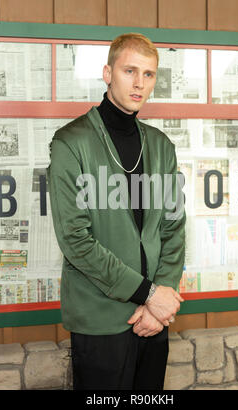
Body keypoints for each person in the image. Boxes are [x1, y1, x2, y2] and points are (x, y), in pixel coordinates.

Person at [47, 33, 186, 390]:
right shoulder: (71, 142)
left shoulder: (160, 146)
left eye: (149, 74)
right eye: (130, 71)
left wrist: (162, 298)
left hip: (153, 320)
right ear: (108, 73)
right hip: (101, 321)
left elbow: (173, 226)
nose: (140, 83)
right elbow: (76, 241)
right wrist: (149, 294)